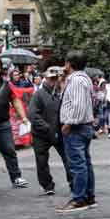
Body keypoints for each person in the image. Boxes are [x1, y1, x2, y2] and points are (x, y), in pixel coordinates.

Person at [57, 51, 97, 212]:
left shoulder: (77, 81)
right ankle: (88, 196)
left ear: (68, 64)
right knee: (84, 163)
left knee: (78, 165)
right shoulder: (79, 80)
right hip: (83, 126)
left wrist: (69, 123)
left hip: (77, 127)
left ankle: (79, 198)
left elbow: (78, 105)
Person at [28, 66, 72, 196]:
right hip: (42, 134)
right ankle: (47, 185)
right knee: (41, 161)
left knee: (68, 159)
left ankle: (73, 183)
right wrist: (46, 127)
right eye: (51, 78)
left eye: (56, 78)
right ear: (45, 79)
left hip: (61, 132)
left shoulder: (63, 92)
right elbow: (32, 114)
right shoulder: (39, 94)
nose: (53, 81)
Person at [0, 58, 31, 189]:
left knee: (9, 150)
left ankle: (16, 177)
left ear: (0, 69)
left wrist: (24, 117)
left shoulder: (7, 85)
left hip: (3, 124)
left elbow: (16, 101)